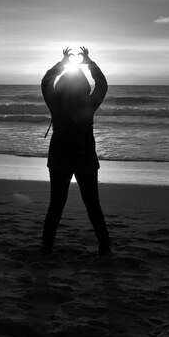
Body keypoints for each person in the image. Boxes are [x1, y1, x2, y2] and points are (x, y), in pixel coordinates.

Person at [40, 46, 111, 255]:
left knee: (56, 204)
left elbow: (46, 82)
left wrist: (62, 64)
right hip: (85, 157)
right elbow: (102, 84)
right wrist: (89, 62)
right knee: (92, 204)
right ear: (84, 87)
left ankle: (46, 245)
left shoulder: (55, 103)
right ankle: (104, 245)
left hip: (60, 157)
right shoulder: (89, 103)